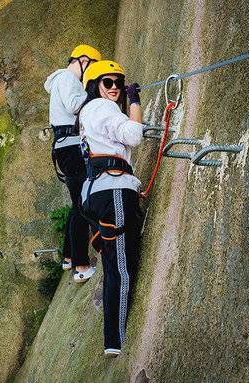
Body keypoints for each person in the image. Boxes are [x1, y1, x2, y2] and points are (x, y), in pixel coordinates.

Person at [76, 60, 144, 357]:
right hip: (113, 187)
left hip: (96, 193)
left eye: (118, 82)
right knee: (122, 269)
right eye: (108, 82)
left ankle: (112, 339)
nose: (114, 87)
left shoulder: (86, 114)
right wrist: (136, 103)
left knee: (114, 266)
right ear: (95, 85)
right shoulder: (102, 108)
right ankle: (117, 340)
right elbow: (134, 135)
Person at [44, 44, 102, 282]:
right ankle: (80, 265)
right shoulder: (68, 78)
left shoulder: (61, 79)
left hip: (65, 146)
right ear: (83, 60)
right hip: (71, 145)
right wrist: (93, 94)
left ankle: (69, 257)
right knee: (82, 203)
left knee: (76, 201)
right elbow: (74, 105)